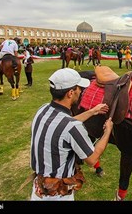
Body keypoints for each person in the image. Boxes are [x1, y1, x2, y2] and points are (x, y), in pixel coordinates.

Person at [30, 68, 113, 200]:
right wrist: (107, 131)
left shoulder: (43, 109)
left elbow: (61, 125)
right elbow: (92, 159)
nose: (80, 92)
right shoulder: (72, 127)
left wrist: (92, 111)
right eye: (79, 88)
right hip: (58, 196)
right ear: (70, 93)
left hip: (38, 189)